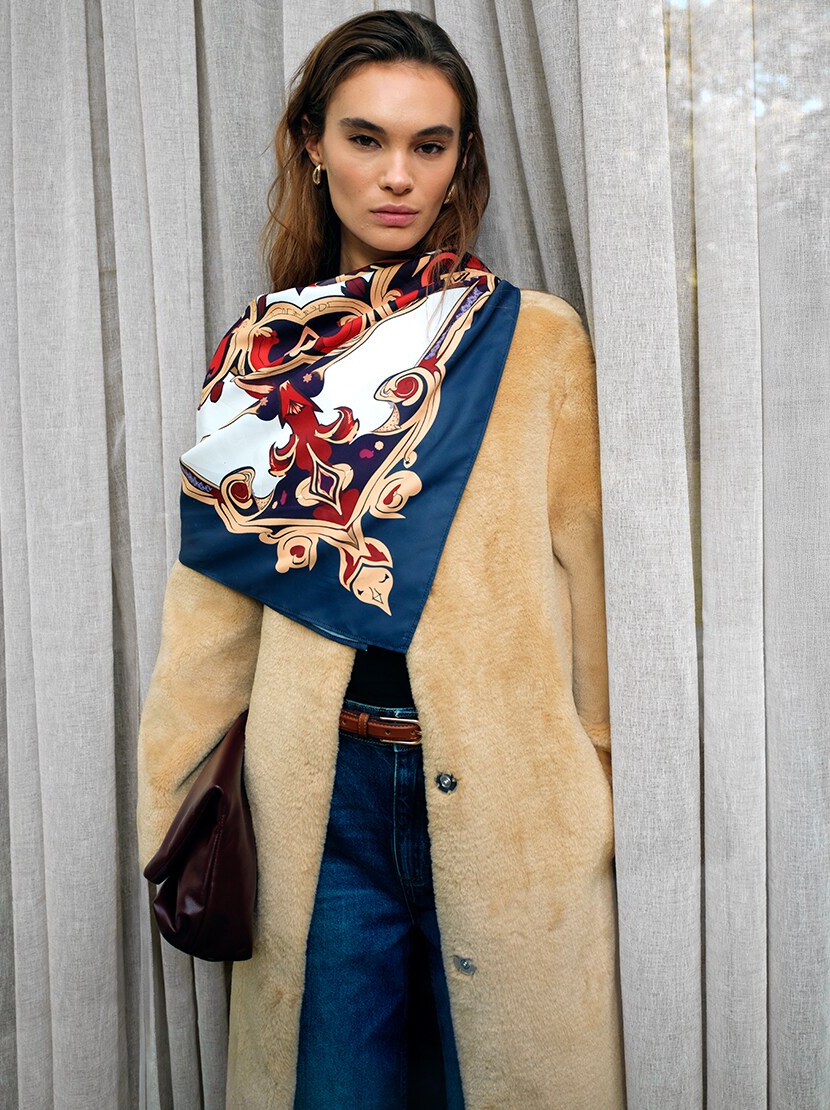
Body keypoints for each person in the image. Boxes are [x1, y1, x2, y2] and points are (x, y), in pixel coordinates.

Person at [136, 9, 624, 1109]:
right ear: (312, 145)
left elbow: (594, 582)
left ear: (461, 163)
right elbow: (213, 610)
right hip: (320, 805)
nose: (397, 175)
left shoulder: (533, 339)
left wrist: (601, 779)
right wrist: (174, 812)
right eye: (366, 139)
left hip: (509, 796)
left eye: (429, 145)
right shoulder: (259, 359)